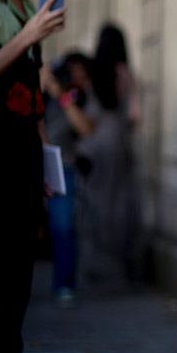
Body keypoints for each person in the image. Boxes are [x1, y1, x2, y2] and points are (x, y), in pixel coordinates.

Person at [0, 0, 64, 353]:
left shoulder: (23, 4)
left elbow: (33, 93)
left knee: (17, 279)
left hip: (22, 154)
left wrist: (45, 162)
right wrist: (30, 37)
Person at [75, 24, 143, 286]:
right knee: (121, 204)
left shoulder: (90, 73)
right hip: (119, 144)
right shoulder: (126, 75)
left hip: (93, 144)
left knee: (93, 202)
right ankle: (119, 268)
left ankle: (93, 265)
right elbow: (135, 116)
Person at [41, 52, 96, 306]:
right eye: (69, 71)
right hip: (33, 161)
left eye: (79, 73)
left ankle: (64, 283)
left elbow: (85, 127)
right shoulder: (42, 89)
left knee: (63, 227)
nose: (74, 77)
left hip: (63, 167)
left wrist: (60, 94)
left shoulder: (80, 97)